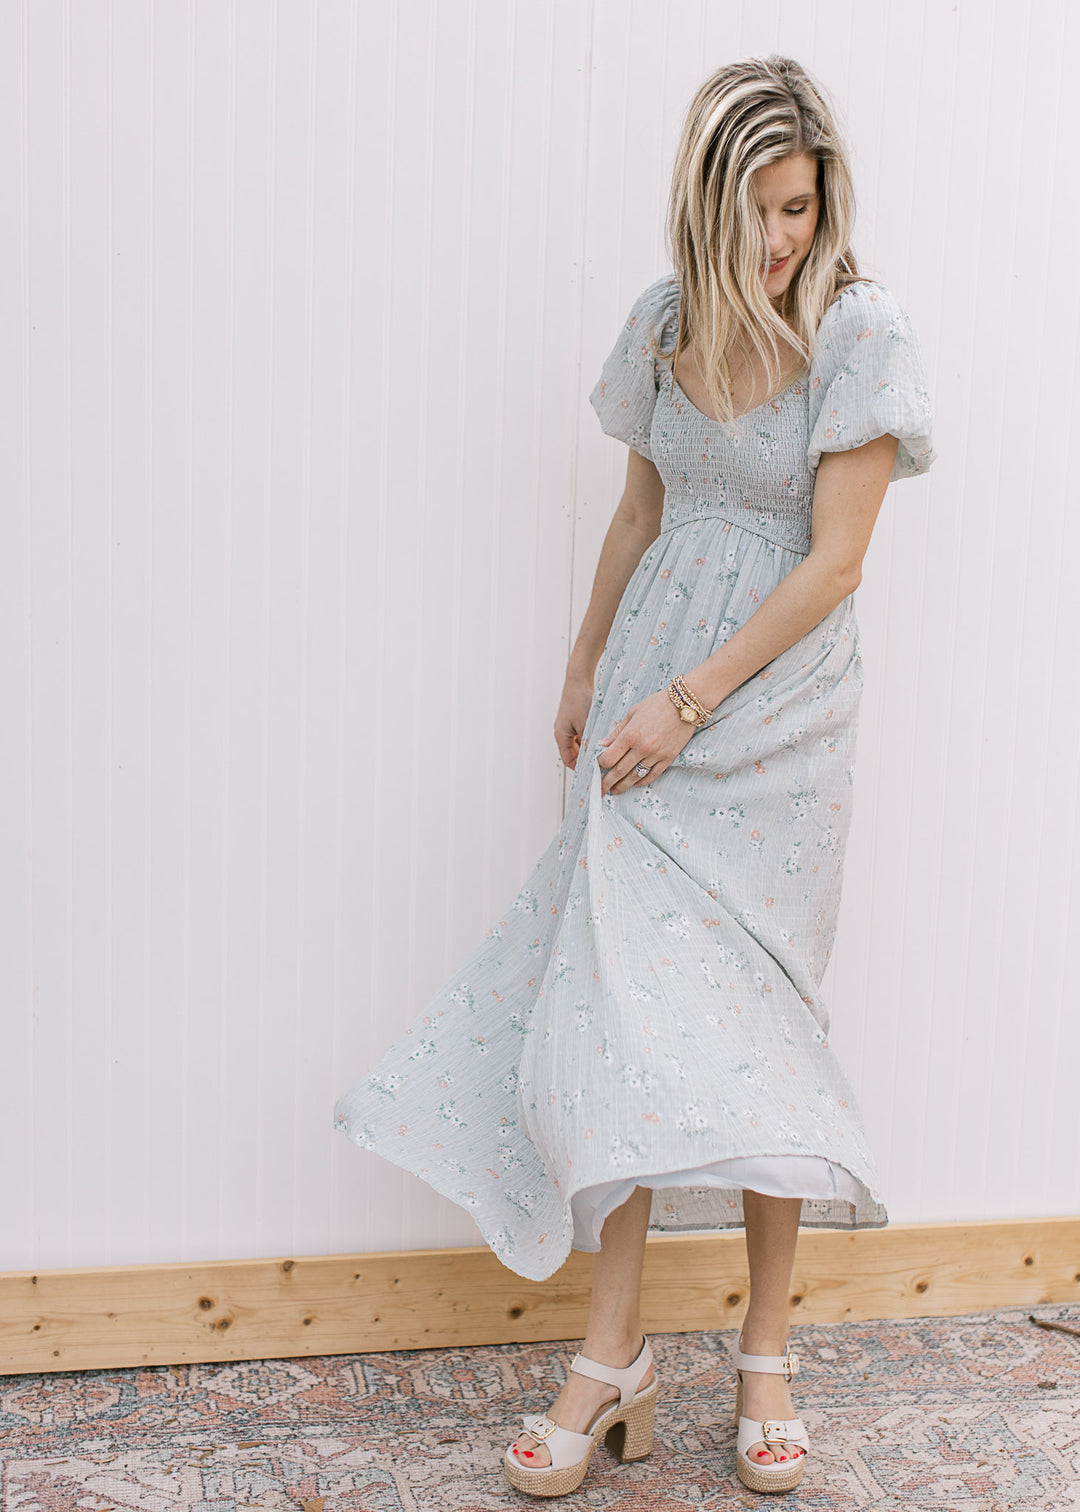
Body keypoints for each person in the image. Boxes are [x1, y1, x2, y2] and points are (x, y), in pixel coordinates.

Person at [333, 53, 934, 1499]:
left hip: (774, 713)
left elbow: (836, 562)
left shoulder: (860, 329)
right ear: (703, 207)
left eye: (797, 207)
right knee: (617, 1009)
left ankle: (767, 1349)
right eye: (756, 213)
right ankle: (616, 1356)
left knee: (756, 1025)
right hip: (648, 692)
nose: (780, 239)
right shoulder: (663, 325)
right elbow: (640, 506)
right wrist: (586, 659)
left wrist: (686, 699)